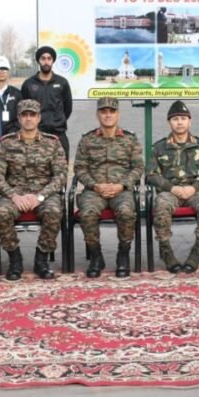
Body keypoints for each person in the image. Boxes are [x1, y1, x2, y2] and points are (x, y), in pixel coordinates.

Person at [0, 100, 67, 281]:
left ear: (39, 118)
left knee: (54, 211)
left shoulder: (52, 143)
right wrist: (13, 196)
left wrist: (40, 196)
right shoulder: (6, 143)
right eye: (24, 115)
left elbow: (61, 175)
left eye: (32, 115)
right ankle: (15, 259)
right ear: (18, 118)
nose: (28, 119)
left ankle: (41, 260)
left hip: (43, 193)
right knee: (1, 213)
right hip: (15, 193)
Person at [73, 97, 143, 278]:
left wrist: (122, 185)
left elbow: (138, 167)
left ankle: (123, 254)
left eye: (112, 111)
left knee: (126, 212)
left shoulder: (130, 139)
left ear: (118, 114)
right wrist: (94, 185)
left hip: (121, 190)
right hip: (94, 190)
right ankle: (96, 256)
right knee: (87, 213)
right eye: (103, 112)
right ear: (97, 115)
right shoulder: (87, 140)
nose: (108, 115)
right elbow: (80, 168)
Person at [146, 101, 199, 273]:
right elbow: (151, 175)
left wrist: (194, 188)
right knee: (161, 206)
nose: (179, 122)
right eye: (175, 119)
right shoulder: (159, 147)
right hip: (169, 192)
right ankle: (166, 251)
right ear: (169, 123)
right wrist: (171, 188)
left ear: (189, 122)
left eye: (183, 119)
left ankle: (197, 250)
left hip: (195, 191)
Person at [21, 45, 74, 158]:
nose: (46, 62)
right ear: (38, 61)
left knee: (61, 168)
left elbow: (67, 108)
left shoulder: (62, 82)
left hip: (58, 135)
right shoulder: (28, 84)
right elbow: (23, 110)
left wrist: (58, 120)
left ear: (53, 61)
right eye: (43, 58)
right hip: (36, 135)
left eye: (49, 59)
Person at [0, 55, 21, 136]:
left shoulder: (17, 93)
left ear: (9, 71)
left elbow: (20, 116)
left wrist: (12, 134)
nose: (2, 71)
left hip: (12, 138)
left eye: (5, 69)